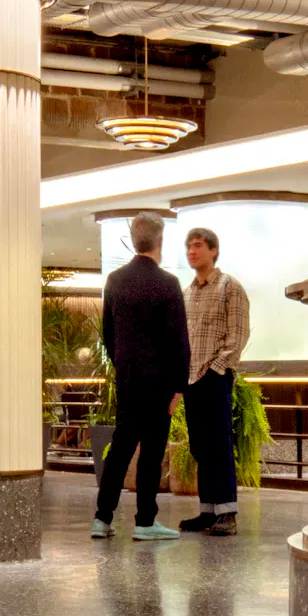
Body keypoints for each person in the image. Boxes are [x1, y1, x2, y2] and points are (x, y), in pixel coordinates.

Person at [92, 214, 187, 540]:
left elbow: (108, 333)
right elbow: (179, 340)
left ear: (134, 240)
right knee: (152, 449)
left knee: (120, 449)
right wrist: (178, 386)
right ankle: (146, 521)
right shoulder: (168, 284)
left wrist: (123, 366)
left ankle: (102, 519)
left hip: (129, 378)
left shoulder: (115, 281)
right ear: (160, 241)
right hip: (159, 382)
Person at [177, 224, 252, 534]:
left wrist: (216, 369)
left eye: (197, 245)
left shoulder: (229, 287)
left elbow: (238, 334)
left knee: (219, 445)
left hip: (215, 378)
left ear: (213, 250)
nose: (192, 252)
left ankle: (227, 513)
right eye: (188, 247)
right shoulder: (186, 293)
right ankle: (208, 510)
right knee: (200, 446)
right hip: (191, 380)